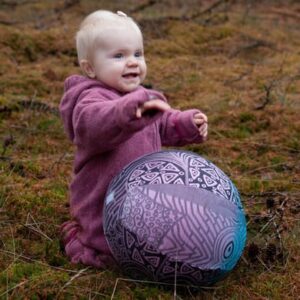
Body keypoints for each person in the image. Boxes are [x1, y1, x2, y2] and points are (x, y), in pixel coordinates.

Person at [59, 10, 208, 268]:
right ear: (90, 68)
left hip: (141, 193)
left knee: (145, 242)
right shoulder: (89, 100)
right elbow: (97, 122)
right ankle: (77, 238)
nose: (132, 62)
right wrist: (128, 109)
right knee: (108, 250)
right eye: (119, 56)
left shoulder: (141, 97)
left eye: (137, 54)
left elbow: (163, 122)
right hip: (102, 197)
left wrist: (187, 123)